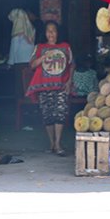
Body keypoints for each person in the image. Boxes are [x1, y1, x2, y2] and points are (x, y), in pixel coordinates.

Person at [27, 21, 73, 156]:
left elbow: (72, 65)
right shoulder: (40, 47)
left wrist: (69, 81)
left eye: (54, 30)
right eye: (48, 30)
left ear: (58, 33)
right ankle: (51, 143)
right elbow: (32, 65)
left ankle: (58, 143)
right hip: (44, 86)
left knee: (60, 113)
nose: (51, 33)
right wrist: (43, 57)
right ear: (45, 33)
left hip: (61, 85)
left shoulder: (65, 47)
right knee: (47, 115)